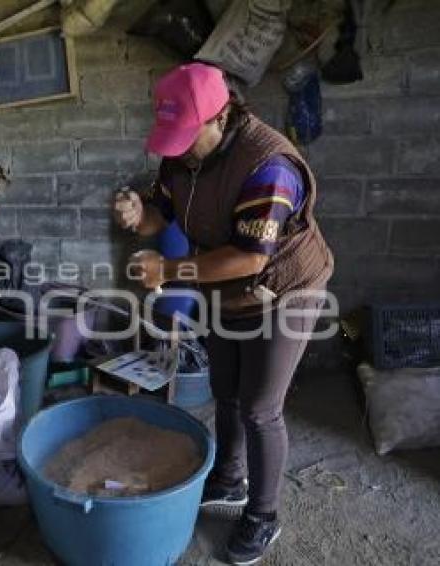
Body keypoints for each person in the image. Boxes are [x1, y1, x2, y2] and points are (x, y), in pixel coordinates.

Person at [115, 63, 334, 565]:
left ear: (221, 115)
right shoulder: (181, 156)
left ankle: (264, 514)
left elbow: (249, 257)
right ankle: (230, 478)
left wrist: (169, 270)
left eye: (187, 136)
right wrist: (136, 215)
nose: (179, 148)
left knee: (261, 407)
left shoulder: (268, 165)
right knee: (226, 391)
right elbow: (160, 215)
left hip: (283, 289)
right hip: (224, 287)